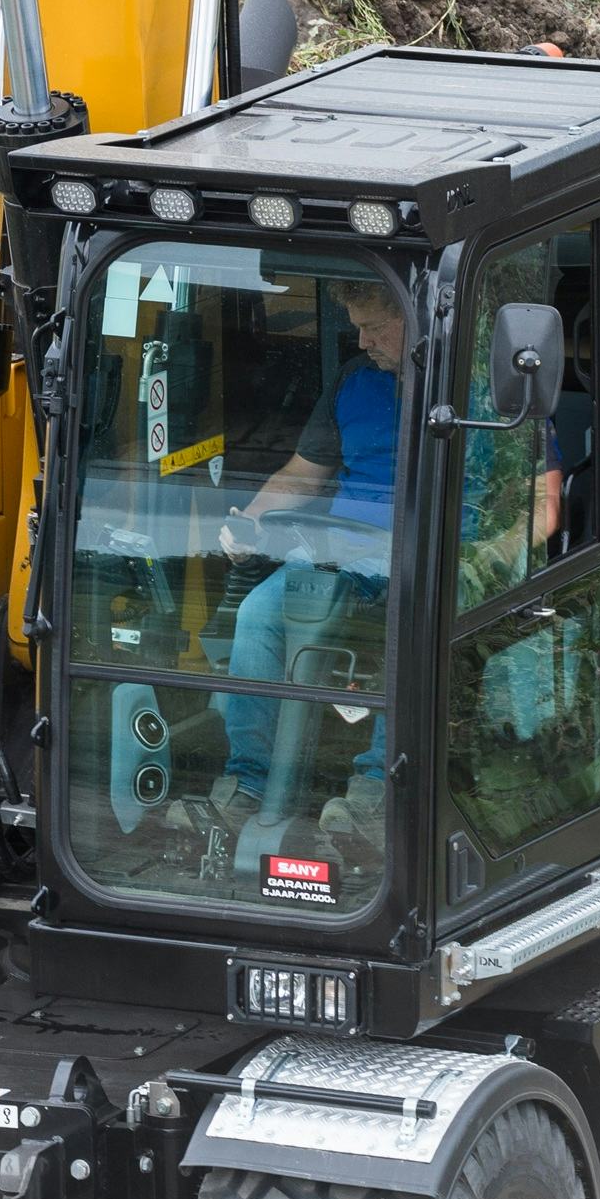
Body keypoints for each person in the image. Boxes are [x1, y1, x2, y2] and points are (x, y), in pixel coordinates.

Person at [205, 280, 402, 845]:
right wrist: (252, 522)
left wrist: (487, 558)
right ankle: (249, 782)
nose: (361, 341)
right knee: (257, 613)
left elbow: (542, 495)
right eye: (356, 327)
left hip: (429, 560)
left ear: (416, 319)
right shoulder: (354, 381)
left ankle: (376, 791)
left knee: (412, 627)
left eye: (373, 327)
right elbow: (301, 474)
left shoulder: (476, 384)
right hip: (341, 554)